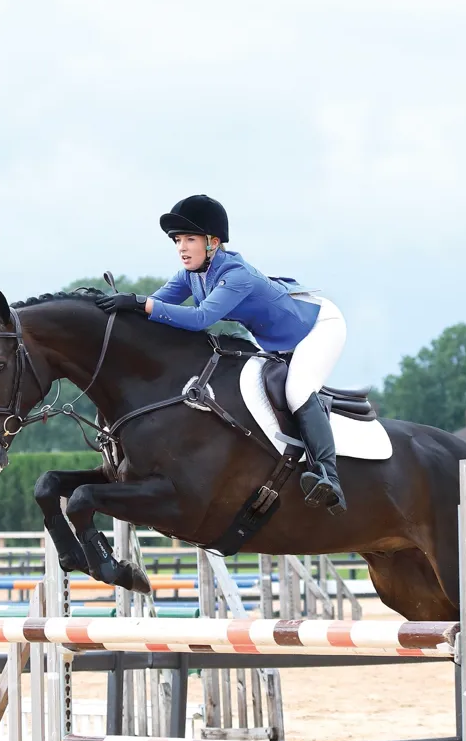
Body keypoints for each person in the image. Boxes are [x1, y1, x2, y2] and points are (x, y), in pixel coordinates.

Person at [96, 195, 347, 515]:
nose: (181, 247)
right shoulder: (191, 275)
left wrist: (141, 303)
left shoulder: (236, 274)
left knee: (298, 390)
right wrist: (122, 312)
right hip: (275, 343)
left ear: (213, 243)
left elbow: (201, 318)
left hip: (319, 328)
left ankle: (330, 477)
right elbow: (155, 307)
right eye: (177, 240)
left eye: (190, 239)